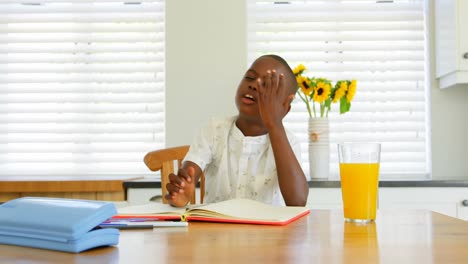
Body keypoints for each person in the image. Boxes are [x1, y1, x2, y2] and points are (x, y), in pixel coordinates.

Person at [166, 54, 309, 207]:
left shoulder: (289, 141)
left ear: (285, 107)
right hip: (217, 229)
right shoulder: (214, 129)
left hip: (267, 230)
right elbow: (189, 175)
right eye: (249, 77)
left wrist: (275, 123)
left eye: (267, 85)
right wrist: (182, 190)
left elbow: (297, 201)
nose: (254, 85)